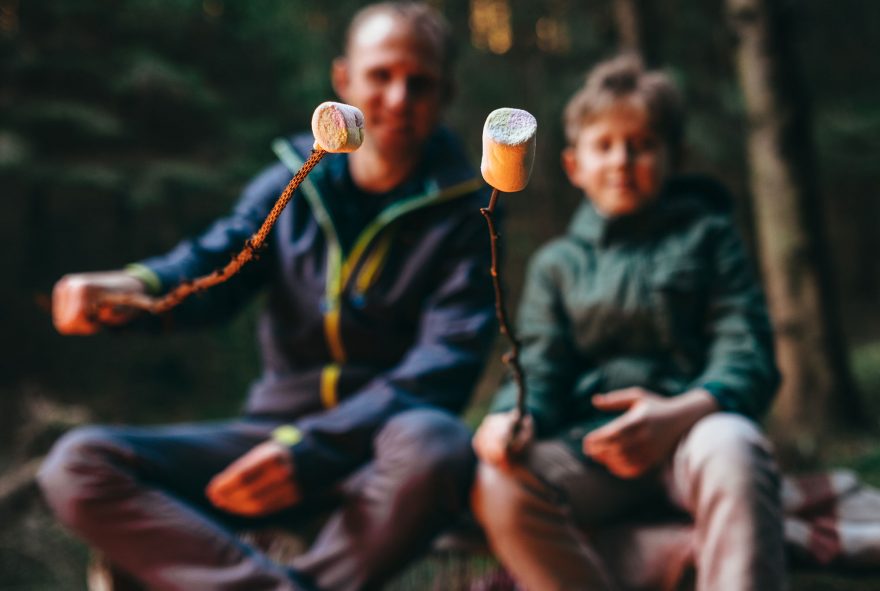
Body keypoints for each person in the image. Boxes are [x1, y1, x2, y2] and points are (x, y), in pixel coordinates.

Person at [38, 3, 496, 590]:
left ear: (446, 93)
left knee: (438, 442)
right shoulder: (292, 181)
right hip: (265, 438)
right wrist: (132, 289)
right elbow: (215, 267)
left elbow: (441, 371)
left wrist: (312, 450)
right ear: (344, 81)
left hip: (379, 453)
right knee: (78, 465)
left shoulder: (470, 213)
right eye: (381, 75)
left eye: (420, 82)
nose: (400, 97)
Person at [471, 54, 786, 591]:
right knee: (498, 484)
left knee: (735, 448)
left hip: (695, 432)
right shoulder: (557, 265)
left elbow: (746, 351)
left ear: (673, 156)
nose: (622, 161)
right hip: (591, 448)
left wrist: (680, 413)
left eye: (641, 145)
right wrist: (512, 418)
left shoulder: (709, 238)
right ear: (574, 166)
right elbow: (539, 369)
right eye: (604, 145)